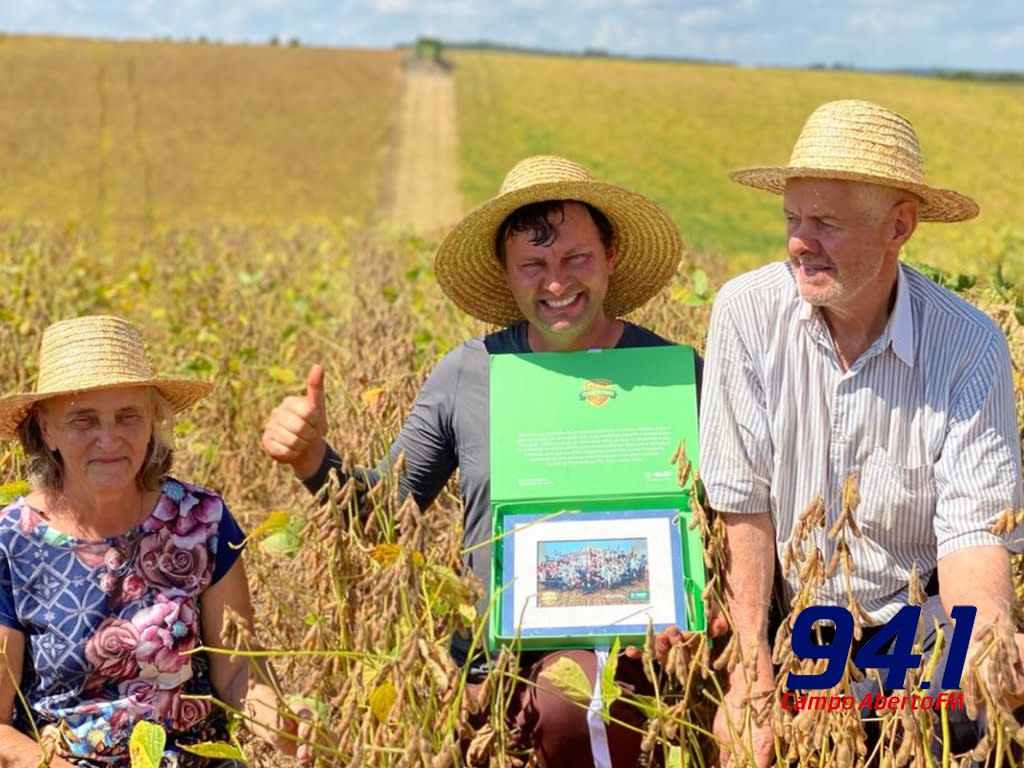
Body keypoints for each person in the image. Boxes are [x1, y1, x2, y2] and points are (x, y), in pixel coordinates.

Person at [261, 155, 702, 767]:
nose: (556, 284)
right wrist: (315, 460)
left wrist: (703, 615)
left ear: (611, 256)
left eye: (576, 258)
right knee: (560, 705)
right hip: (496, 660)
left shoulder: (674, 375)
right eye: (534, 265)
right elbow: (389, 513)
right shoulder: (468, 371)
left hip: (651, 653)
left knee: (576, 706)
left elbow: (727, 518)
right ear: (507, 273)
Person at [700, 99, 1024, 766]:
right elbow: (744, 508)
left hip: (920, 617)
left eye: (826, 223)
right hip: (800, 618)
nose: (799, 240)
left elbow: (972, 534)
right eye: (792, 218)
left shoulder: (968, 346)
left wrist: (987, 637)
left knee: (990, 701)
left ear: (899, 226)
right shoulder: (745, 315)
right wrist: (748, 672)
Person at [0, 315, 313, 767]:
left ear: (152, 421)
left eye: (128, 416)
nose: (109, 439)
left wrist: (278, 718)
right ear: (46, 429)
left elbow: (238, 670)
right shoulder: (12, 543)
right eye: (83, 420)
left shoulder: (200, 520)